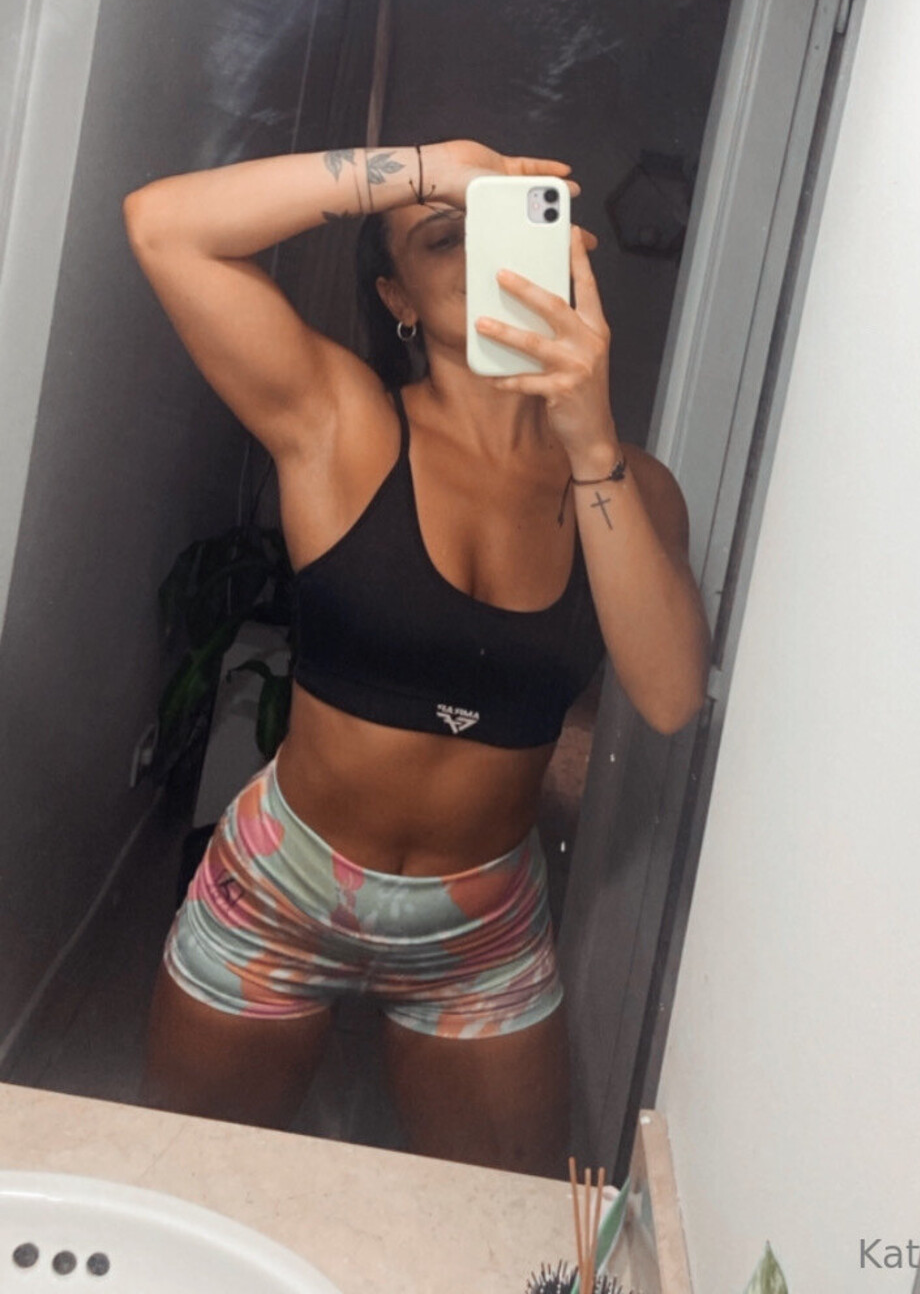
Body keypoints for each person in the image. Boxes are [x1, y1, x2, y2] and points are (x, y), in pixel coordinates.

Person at [123, 138, 709, 1175]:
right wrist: (430, 165)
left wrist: (590, 444)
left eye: (503, 228)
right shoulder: (340, 421)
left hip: (480, 934)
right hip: (282, 889)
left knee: (500, 1230)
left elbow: (668, 698)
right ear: (396, 297)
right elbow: (164, 226)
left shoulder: (632, 483)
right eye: (446, 236)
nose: (481, 251)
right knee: (194, 1187)